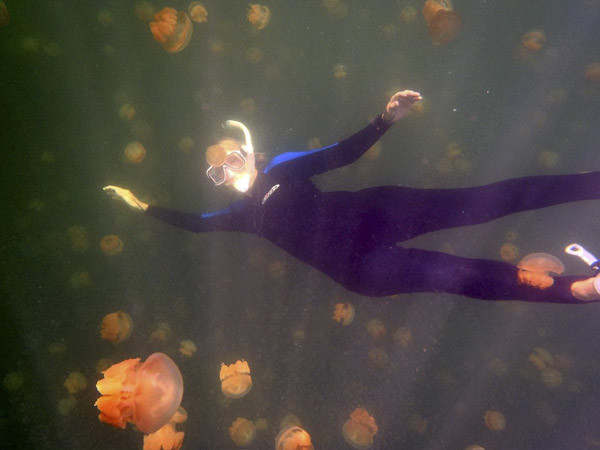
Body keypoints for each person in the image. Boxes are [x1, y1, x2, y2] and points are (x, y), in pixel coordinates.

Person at [104, 90, 600, 304]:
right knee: (457, 275)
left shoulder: (283, 167)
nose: (227, 171)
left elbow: (342, 154)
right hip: (362, 271)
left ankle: (590, 182)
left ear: (252, 154)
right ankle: (574, 291)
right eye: (216, 171)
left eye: (232, 159)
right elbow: (194, 223)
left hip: (380, 212)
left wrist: (385, 118)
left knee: (488, 198)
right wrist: (141, 205)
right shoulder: (239, 215)